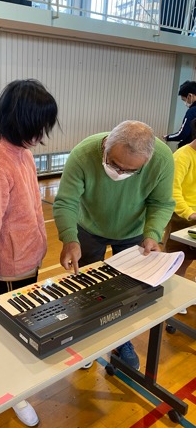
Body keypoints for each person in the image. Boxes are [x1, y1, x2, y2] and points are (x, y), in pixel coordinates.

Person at [0, 79, 59, 427]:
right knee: (9, 337)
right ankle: (13, 395)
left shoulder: (23, 152)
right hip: (6, 271)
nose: (41, 135)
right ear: (20, 123)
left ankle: (15, 384)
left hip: (27, 261)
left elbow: (30, 207)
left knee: (23, 326)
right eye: (38, 127)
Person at [53, 120, 175, 370]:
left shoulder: (162, 160)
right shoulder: (83, 153)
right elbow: (66, 201)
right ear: (106, 145)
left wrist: (152, 234)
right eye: (113, 164)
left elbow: (161, 203)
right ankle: (86, 339)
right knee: (85, 288)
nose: (119, 173)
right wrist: (69, 238)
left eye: (129, 171)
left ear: (146, 161)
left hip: (133, 232)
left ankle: (123, 341)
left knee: (127, 291)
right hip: (89, 228)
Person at [163, 119, 196, 314]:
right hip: (182, 217)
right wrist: (189, 213)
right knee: (180, 260)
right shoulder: (182, 156)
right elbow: (173, 190)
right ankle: (173, 299)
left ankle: (189, 293)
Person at [164, 80, 196, 148]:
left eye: (184, 100)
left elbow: (183, 134)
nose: (185, 102)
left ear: (190, 96)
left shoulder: (192, 111)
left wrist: (168, 137)